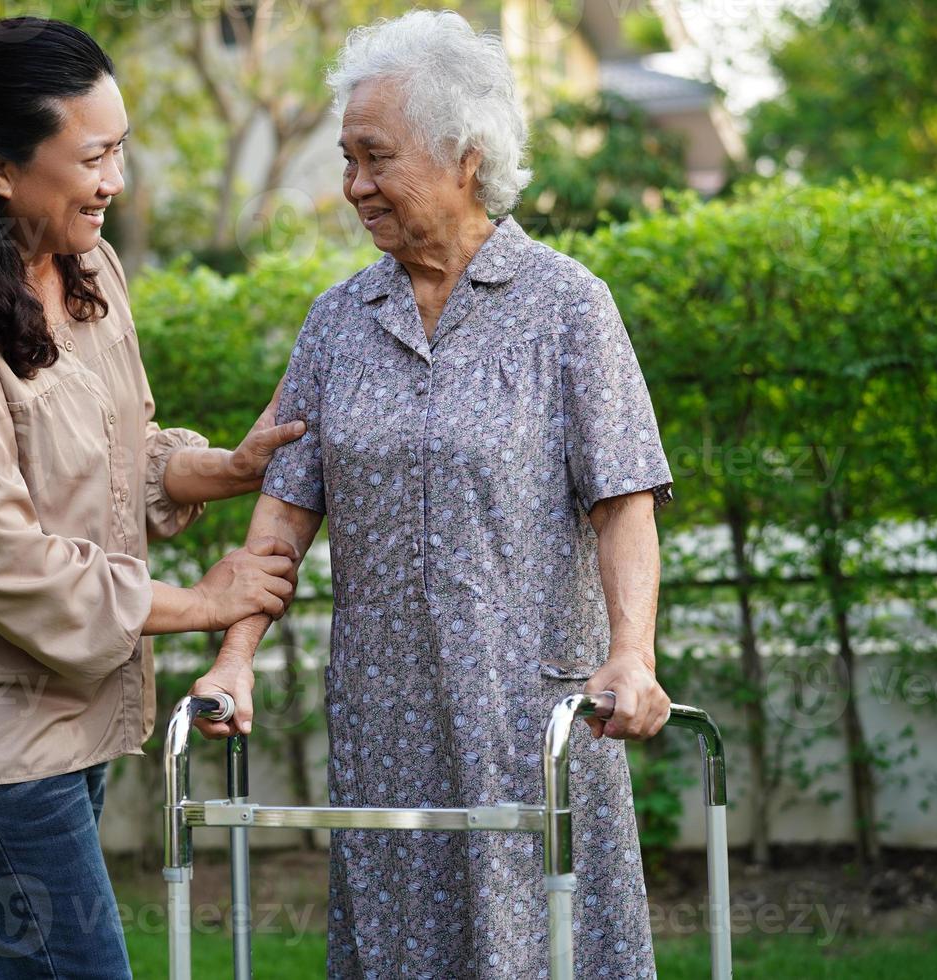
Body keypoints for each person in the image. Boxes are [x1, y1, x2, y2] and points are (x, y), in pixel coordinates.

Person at [190, 11, 674, 977]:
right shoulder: (337, 320)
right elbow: (285, 509)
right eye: (347, 159)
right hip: (386, 715)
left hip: (527, 708)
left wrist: (632, 655)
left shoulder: (568, 305)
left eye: (377, 158)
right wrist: (233, 659)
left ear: (466, 156)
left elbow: (623, 497)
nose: (354, 185)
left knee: (543, 940)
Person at [0, 18, 301, 979]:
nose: (116, 181)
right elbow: (6, 566)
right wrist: (206, 606)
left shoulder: (88, 271)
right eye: (93, 156)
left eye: (120, 149)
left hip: (65, 717)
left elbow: (111, 463)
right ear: (1, 171)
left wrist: (220, 468)